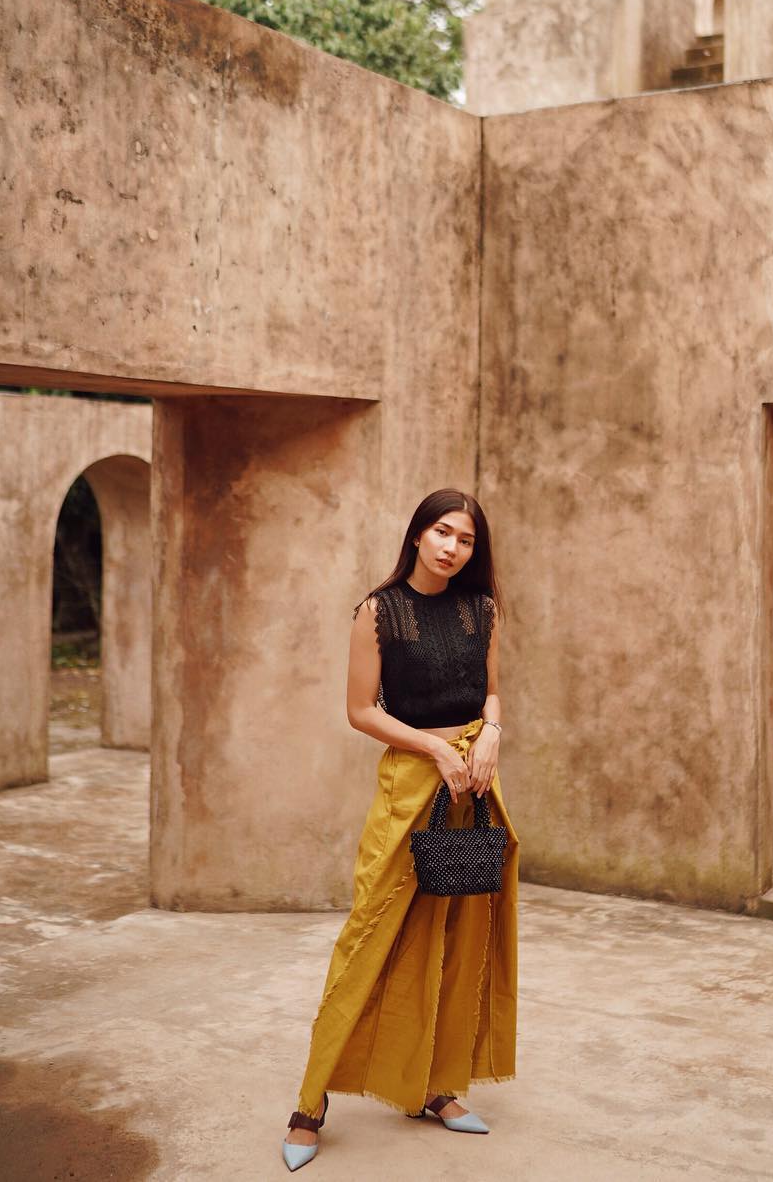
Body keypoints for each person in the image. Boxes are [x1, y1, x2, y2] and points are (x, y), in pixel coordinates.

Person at [281, 487, 520, 1173]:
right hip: (413, 784)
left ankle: (438, 1088)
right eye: (441, 532)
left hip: (475, 785)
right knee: (370, 936)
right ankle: (310, 1101)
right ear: (417, 536)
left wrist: (491, 732)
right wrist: (436, 748)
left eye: (466, 539)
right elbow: (360, 710)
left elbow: (492, 690)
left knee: (460, 937)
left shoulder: (483, 610)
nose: (451, 547)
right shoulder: (378, 611)